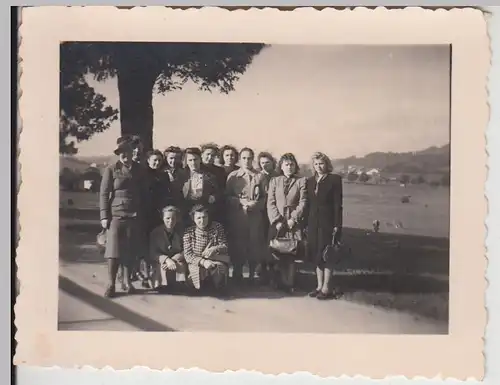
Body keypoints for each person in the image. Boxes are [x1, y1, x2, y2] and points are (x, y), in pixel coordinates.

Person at [99, 139, 146, 297]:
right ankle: (111, 283)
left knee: (130, 249)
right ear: (119, 155)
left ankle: (127, 281)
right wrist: (104, 216)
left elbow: (144, 191)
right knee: (113, 250)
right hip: (116, 214)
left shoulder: (140, 170)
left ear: (133, 153)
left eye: (128, 152)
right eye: (121, 153)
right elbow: (104, 194)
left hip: (135, 213)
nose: (125, 156)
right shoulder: (111, 170)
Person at [225, 148, 270, 285]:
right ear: (239, 159)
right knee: (238, 245)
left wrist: (255, 204)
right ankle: (237, 274)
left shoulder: (260, 176)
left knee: (254, 245)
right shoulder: (233, 176)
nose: (247, 161)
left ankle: (251, 275)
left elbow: (267, 198)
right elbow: (226, 196)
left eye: (249, 158)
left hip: (255, 217)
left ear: (253, 159)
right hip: (238, 216)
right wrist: (240, 202)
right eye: (244, 158)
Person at [267, 153, 307, 293]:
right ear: (281, 166)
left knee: (291, 252)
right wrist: (277, 220)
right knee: (277, 251)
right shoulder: (274, 181)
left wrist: (293, 219)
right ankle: (276, 282)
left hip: (293, 223)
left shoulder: (301, 181)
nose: (289, 167)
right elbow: (270, 202)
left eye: (291, 164)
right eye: (286, 164)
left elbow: (303, 202)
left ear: (295, 166)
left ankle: (289, 283)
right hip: (278, 222)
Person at [306, 152, 343, 300]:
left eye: (321, 163)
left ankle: (327, 288)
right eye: (316, 164)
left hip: (328, 222)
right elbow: (308, 203)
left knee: (327, 253)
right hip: (313, 221)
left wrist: (337, 224)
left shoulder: (334, 180)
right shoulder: (310, 181)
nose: (318, 167)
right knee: (316, 253)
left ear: (327, 164)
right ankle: (319, 286)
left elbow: (337, 204)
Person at [183, 204, 230, 295]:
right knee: (196, 276)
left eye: (204, 217)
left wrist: (214, 249)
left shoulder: (217, 227)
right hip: (197, 262)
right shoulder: (189, 232)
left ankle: (217, 288)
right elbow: (188, 255)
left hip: (214, 259)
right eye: (199, 218)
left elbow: (224, 246)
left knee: (218, 268)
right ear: (193, 219)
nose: (202, 221)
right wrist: (203, 262)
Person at [149, 206, 188, 292]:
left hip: (177, 261)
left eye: (173, 218)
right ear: (163, 218)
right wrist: (166, 260)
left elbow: (186, 250)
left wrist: (173, 259)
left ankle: (179, 284)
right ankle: (161, 285)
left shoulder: (181, 232)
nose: (170, 221)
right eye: (167, 218)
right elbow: (152, 252)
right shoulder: (156, 233)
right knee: (160, 268)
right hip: (161, 263)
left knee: (181, 266)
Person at [179, 147, 220, 226]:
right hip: (186, 211)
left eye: (195, 159)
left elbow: (218, 192)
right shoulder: (181, 176)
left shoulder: (209, 176)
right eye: (190, 160)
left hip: (204, 212)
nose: (193, 163)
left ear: (200, 159)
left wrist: (213, 197)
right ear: (186, 161)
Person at [256, 151, 278, 284]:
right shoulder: (258, 176)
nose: (264, 165)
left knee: (275, 241)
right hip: (261, 213)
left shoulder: (277, 176)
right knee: (262, 240)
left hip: (275, 213)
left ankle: (274, 269)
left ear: (273, 163)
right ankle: (262, 268)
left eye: (267, 163)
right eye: (262, 163)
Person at [200, 143, 227, 224]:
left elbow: (223, 189)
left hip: (214, 207)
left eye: (212, 155)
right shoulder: (195, 168)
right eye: (207, 154)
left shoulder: (220, 171)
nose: (210, 157)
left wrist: (215, 197)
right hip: (197, 207)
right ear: (202, 155)